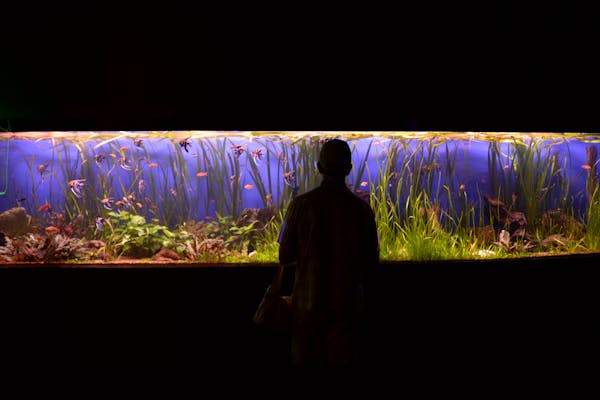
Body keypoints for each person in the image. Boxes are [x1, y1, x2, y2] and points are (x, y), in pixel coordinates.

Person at [278, 138, 380, 369]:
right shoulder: (362, 210)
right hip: (347, 309)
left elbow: (284, 256)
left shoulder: (299, 206)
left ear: (319, 167)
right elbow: (371, 263)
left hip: (307, 308)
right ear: (349, 169)